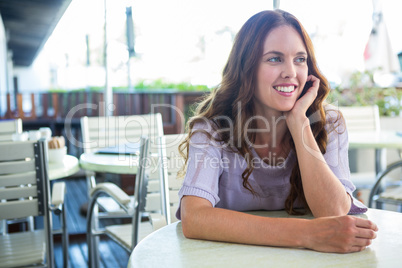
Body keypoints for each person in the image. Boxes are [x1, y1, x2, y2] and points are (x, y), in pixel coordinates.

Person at [176, 9, 378, 253]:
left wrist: (299, 124)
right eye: (274, 58)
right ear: (246, 67)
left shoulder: (328, 124)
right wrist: (306, 234)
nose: (291, 72)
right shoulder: (213, 129)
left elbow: (333, 212)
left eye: (300, 59)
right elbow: (194, 218)